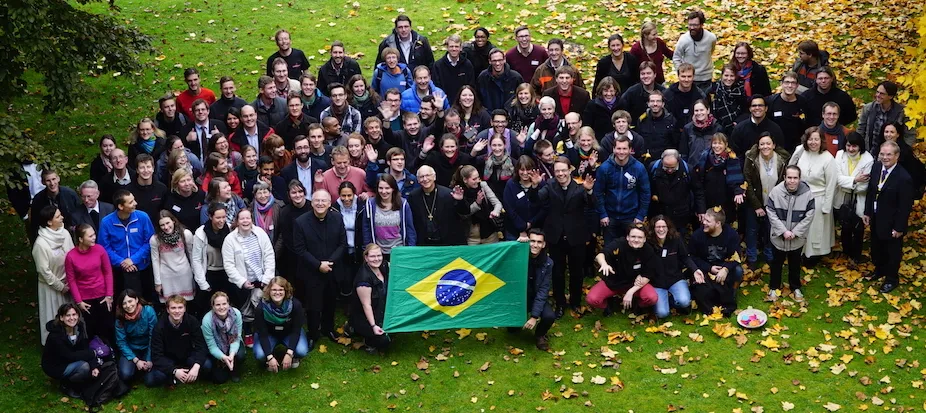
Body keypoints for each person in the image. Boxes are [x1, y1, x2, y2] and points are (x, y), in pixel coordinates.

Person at [534, 157, 597, 316]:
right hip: (555, 237)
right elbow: (536, 201)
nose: (560, 173)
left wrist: (589, 190)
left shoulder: (580, 187)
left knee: (577, 272)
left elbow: (591, 204)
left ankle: (575, 302)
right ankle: (560, 303)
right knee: (557, 272)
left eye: (563, 170)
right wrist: (535, 186)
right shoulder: (549, 186)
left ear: (570, 169)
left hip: (576, 237)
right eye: (557, 171)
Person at [293, 190, 347, 343]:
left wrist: (330, 263)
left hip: (332, 268)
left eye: (324, 201)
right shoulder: (301, 222)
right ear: (312, 203)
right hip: (311, 271)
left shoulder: (337, 218)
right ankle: (313, 333)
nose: (320, 204)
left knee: (331, 302)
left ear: (330, 203)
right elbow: (300, 249)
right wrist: (318, 265)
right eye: (317, 200)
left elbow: (342, 244)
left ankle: (328, 328)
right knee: (313, 305)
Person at [864, 141, 914, 293]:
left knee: (892, 251)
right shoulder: (877, 167)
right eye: (882, 154)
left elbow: (905, 206)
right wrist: (867, 212)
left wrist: (899, 227)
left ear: (897, 156)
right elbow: (871, 191)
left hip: (892, 221)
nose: (885, 157)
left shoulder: (904, 178)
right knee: (876, 247)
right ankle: (879, 270)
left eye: (889, 154)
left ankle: (891, 279)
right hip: (876, 216)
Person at [222, 209, 276, 345]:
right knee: (245, 310)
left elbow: (269, 256)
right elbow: (228, 265)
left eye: (248, 218)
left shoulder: (260, 234)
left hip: (261, 280)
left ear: (251, 219)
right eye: (242, 219)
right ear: (237, 221)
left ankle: (265, 332)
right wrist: (241, 281)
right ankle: (248, 333)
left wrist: (266, 278)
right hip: (243, 283)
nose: (245, 221)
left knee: (262, 307)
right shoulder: (230, 239)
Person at [764, 165, 816, 302]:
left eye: (795, 178)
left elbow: (810, 214)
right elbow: (771, 211)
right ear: (784, 178)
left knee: (795, 263)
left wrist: (796, 232)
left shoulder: (807, 193)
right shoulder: (776, 192)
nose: (792, 181)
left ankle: (795, 287)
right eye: (789, 178)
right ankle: (774, 287)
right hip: (779, 237)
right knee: (776, 263)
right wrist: (783, 231)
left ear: (799, 179)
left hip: (797, 238)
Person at [97, 190, 156, 308]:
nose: (135, 203)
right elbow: (104, 247)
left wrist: (133, 259)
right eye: (131, 202)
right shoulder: (106, 222)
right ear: (120, 206)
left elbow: (150, 241)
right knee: (123, 304)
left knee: (144, 303)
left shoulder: (142, 217)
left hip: (142, 268)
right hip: (119, 271)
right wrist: (122, 262)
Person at [789, 126, 837, 266]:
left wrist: (826, 207)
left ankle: (813, 256)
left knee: (815, 230)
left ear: (821, 140)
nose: (813, 143)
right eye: (810, 139)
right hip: (800, 197)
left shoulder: (828, 158)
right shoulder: (801, 152)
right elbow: (791, 167)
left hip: (819, 199)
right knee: (800, 227)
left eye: (816, 139)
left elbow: (831, 184)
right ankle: (800, 252)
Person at [587, 225, 660, 314]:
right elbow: (600, 255)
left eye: (640, 237)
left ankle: (637, 305)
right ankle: (608, 305)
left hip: (635, 283)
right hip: (613, 282)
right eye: (633, 236)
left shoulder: (648, 250)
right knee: (592, 299)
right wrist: (604, 264)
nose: (636, 240)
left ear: (644, 239)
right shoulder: (619, 244)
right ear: (627, 237)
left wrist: (630, 291)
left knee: (652, 298)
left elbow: (648, 274)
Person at [743, 133, 791, 265]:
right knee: (752, 230)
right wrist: (757, 206)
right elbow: (747, 181)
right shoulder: (751, 159)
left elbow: (784, 182)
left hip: (774, 203)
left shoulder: (782, 159)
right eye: (762, 144)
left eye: (768, 143)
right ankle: (751, 257)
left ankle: (769, 256)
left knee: (771, 230)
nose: (765, 146)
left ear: (774, 145)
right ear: (758, 146)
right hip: (755, 201)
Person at [595, 135, 650, 243]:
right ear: (613, 149)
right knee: (610, 250)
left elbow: (645, 193)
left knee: (631, 250)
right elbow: (598, 193)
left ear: (630, 150)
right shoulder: (605, 168)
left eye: (624, 148)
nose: (621, 152)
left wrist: (640, 215)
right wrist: (602, 214)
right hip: (610, 217)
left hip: (631, 216)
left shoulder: (639, 168)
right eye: (618, 148)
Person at [65, 224, 114, 343]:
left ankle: (112, 353)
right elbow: (71, 280)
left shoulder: (100, 250)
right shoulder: (71, 256)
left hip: (102, 295)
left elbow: (107, 272)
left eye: (94, 235)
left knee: (107, 326)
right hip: (85, 299)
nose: (94, 238)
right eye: (90, 236)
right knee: (90, 327)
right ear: (81, 239)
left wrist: (109, 295)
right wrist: (79, 301)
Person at [33, 206, 75, 345]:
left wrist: (71, 280)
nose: (62, 217)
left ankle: (73, 340)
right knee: (54, 316)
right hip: (52, 287)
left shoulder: (65, 233)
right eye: (58, 216)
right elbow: (44, 270)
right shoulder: (41, 244)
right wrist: (60, 286)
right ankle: (54, 345)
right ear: (49, 222)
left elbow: (72, 254)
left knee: (71, 314)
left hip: (68, 282)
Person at [687, 209, 741, 316]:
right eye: (704, 220)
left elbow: (736, 256)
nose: (704, 223)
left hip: (723, 267)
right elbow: (692, 257)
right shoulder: (697, 236)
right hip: (704, 267)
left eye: (708, 221)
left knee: (738, 270)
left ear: (718, 223)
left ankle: (732, 293)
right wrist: (709, 268)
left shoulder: (731, 235)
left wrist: (725, 269)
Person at [148, 295, 210, 387]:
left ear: (185, 309)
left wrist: (197, 365)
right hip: (168, 359)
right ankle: (177, 375)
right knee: (151, 380)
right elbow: (156, 356)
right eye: (173, 308)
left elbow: (201, 346)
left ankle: (188, 373)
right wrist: (174, 370)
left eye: (180, 307)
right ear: (168, 310)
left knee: (207, 365)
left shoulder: (192, 321)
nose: (177, 311)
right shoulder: (159, 327)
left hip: (187, 356)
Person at [42, 303, 101, 397]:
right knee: (84, 367)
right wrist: (91, 354)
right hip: (55, 366)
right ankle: (66, 385)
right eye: (68, 315)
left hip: (70, 359)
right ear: (61, 318)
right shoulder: (55, 336)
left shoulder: (79, 327)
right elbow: (68, 355)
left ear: (78, 315)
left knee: (89, 367)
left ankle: (75, 381)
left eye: (74, 314)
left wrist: (94, 365)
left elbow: (84, 347)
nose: (72, 318)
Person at [834, 132, 873, 268]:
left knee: (858, 228)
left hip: (859, 199)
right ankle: (846, 252)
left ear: (860, 146)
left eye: (854, 146)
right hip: (842, 197)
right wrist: (855, 180)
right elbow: (836, 179)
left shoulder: (868, 159)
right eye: (849, 146)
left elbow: (864, 187)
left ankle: (856, 255)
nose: (851, 149)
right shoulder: (839, 155)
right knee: (844, 226)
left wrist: (847, 183)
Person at [251, 277, 308, 371]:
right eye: (274, 289)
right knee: (260, 354)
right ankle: (268, 360)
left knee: (301, 351)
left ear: (286, 291)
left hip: (289, 333)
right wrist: (269, 357)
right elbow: (262, 334)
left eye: (281, 289)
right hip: (269, 334)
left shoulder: (296, 305)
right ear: (269, 291)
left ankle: (293, 357)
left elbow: (296, 331)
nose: (277, 293)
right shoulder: (261, 308)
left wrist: (289, 353)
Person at [511, 229, 555, 350]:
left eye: (539, 242)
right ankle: (515, 323)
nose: (535, 245)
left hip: (535, 296)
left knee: (549, 316)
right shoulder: (518, 256)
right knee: (512, 329)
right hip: (518, 297)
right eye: (532, 241)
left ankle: (540, 335)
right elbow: (506, 256)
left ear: (544, 244)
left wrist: (534, 316)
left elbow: (543, 290)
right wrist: (517, 244)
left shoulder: (548, 263)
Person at [647, 216, 697, 318]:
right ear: (653, 228)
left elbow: (685, 257)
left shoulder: (676, 239)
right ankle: (662, 302)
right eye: (658, 227)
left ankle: (671, 300)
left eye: (664, 226)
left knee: (684, 301)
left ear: (668, 227)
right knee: (662, 313)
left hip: (675, 279)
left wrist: (695, 270)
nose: (661, 229)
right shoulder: (648, 243)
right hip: (657, 283)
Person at [407, 165, 469, 246]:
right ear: (418, 180)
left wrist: (460, 200)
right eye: (421, 177)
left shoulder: (447, 194)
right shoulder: (413, 196)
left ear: (434, 177)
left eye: (428, 175)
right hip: (425, 244)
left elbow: (464, 213)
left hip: (447, 243)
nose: (425, 179)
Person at [692, 133, 745, 224]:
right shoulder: (705, 157)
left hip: (726, 201)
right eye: (714, 143)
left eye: (720, 143)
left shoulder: (732, 159)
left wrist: (738, 192)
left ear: (726, 144)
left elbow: (736, 178)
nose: (717, 146)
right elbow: (698, 179)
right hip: (708, 199)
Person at [349, 244, 392, 353]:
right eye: (372, 256)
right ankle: (365, 336)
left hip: (380, 310)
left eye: (379, 255)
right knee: (384, 342)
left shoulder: (384, 266)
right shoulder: (363, 280)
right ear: (366, 258)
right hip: (366, 317)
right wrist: (373, 326)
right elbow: (366, 305)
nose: (376, 259)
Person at [362, 174, 417, 255]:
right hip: (378, 253)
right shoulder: (370, 204)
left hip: (399, 251)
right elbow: (366, 229)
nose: (384, 191)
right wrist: (368, 249)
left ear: (393, 188)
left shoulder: (403, 204)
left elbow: (409, 229)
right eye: (381, 188)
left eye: (387, 188)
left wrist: (411, 250)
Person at [150, 211, 198, 305]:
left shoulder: (185, 234)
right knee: (170, 304)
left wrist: (196, 274)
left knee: (187, 303)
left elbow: (192, 255)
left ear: (173, 221)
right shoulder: (155, 239)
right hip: (166, 276)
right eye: (162, 225)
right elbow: (155, 261)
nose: (166, 227)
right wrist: (158, 282)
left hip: (184, 273)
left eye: (168, 223)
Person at [192, 203, 232, 313]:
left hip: (226, 273)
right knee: (206, 306)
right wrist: (202, 283)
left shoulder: (230, 230)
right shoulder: (201, 233)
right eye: (218, 217)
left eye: (224, 217)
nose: (221, 221)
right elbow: (196, 259)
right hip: (209, 273)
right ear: (210, 217)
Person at [648, 150, 695, 238]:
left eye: (673, 168)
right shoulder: (653, 167)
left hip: (681, 214)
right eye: (666, 167)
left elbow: (697, 190)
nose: (669, 170)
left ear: (678, 161)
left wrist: (700, 210)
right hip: (659, 212)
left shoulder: (688, 169)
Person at [200, 291, 245, 383]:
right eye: (217, 305)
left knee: (240, 355)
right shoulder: (207, 320)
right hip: (216, 346)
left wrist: (231, 354)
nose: (221, 307)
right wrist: (223, 357)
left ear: (228, 304)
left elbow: (236, 338)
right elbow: (212, 346)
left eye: (224, 303)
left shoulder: (236, 314)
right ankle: (219, 363)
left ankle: (233, 367)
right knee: (219, 380)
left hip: (232, 342)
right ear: (213, 306)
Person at [114, 289, 157, 382]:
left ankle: (142, 369)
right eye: (124, 303)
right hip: (132, 349)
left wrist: (149, 359)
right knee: (125, 375)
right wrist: (135, 360)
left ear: (136, 300)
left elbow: (153, 336)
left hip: (148, 347)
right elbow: (121, 342)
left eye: (130, 301)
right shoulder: (120, 319)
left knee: (150, 379)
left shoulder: (148, 311)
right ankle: (137, 368)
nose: (128, 306)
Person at [452, 165, 501, 245]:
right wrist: (477, 204)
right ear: (465, 180)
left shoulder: (483, 185)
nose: (477, 181)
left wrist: (495, 211)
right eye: (474, 179)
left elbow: (497, 203)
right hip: (471, 236)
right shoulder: (459, 192)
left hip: (489, 233)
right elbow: (463, 215)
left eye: (478, 178)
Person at [859, 81, 916, 149]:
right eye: (877, 92)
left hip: (893, 152)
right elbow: (861, 129)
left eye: (882, 94)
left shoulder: (902, 112)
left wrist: (903, 151)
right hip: (871, 149)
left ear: (890, 96)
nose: (878, 95)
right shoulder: (868, 109)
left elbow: (910, 135)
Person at [276, 181, 311, 293]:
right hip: (293, 255)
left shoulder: (312, 207)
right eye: (294, 192)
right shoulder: (285, 212)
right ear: (289, 195)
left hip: (312, 253)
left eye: (300, 191)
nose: (297, 195)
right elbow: (286, 237)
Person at [672, 10, 717, 95]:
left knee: (703, 104)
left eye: (695, 25)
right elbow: (676, 58)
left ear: (702, 25)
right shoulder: (683, 40)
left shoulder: (711, 38)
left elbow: (711, 51)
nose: (692, 28)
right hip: (688, 79)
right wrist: (682, 73)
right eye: (690, 25)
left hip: (706, 78)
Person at [28, 169, 80, 242]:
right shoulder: (38, 200)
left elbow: (80, 215)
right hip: (49, 235)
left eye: (54, 179)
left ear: (58, 179)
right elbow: (35, 223)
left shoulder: (70, 195)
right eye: (48, 180)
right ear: (43, 182)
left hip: (70, 232)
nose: (52, 183)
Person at [502, 156, 546, 241]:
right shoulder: (511, 184)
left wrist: (530, 223)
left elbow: (543, 208)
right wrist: (522, 227)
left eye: (528, 169)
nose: (525, 173)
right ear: (517, 170)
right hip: (514, 232)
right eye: (522, 170)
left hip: (536, 231)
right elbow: (509, 208)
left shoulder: (541, 185)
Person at [876, 121, 926, 195]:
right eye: (886, 132)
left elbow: (913, 174)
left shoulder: (905, 153)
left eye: (892, 132)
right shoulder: (879, 147)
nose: (888, 135)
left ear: (898, 134)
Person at [767, 71, 810, 153]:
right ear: (781, 84)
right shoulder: (771, 101)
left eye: (793, 83)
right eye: (787, 82)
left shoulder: (803, 102)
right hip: (776, 147)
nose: (790, 86)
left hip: (797, 147)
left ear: (797, 85)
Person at [280, 134, 329, 201]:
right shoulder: (286, 172)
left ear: (310, 148)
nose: (303, 151)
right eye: (299, 148)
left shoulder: (321, 166)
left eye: (305, 147)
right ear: (293, 151)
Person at [432, 34, 476, 105]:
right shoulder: (438, 66)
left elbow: (471, 86)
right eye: (451, 46)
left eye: (456, 46)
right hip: (444, 103)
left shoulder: (467, 65)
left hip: (463, 104)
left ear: (461, 48)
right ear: (447, 47)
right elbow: (436, 87)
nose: (454, 49)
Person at [663, 62, 707, 132]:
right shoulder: (668, 95)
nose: (686, 80)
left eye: (689, 76)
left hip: (695, 131)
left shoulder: (700, 95)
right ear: (678, 76)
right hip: (672, 131)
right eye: (683, 76)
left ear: (693, 77)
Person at [637, 91, 678, 162]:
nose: (655, 104)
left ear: (663, 104)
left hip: (665, 161)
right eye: (652, 101)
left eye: (658, 101)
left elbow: (676, 143)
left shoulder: (671, 121)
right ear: (648, 104)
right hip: (646, 160)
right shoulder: (642, 120)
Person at [680, 99, 722, 167]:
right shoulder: (687, 128)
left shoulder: (717, 128)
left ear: (708, 110)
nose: (699, 113)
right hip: (693, 168)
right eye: (696, 110)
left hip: (712, 168)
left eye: (702, 110)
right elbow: (684, 153)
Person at [130, 154, 168, 222]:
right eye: (142, 167)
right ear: (137, 170)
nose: (146, 170)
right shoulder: (129, 191)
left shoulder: (162, 189)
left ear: (153, 168)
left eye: (148, 167)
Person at [711, 64, 747, 135]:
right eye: (726, 75)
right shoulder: (714, 89)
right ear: (722, 76)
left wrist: (738, 121)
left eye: (732, 76)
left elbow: (745, 109)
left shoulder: (740, 89)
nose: (729, 78)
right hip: (719, 126)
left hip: (737, 125)